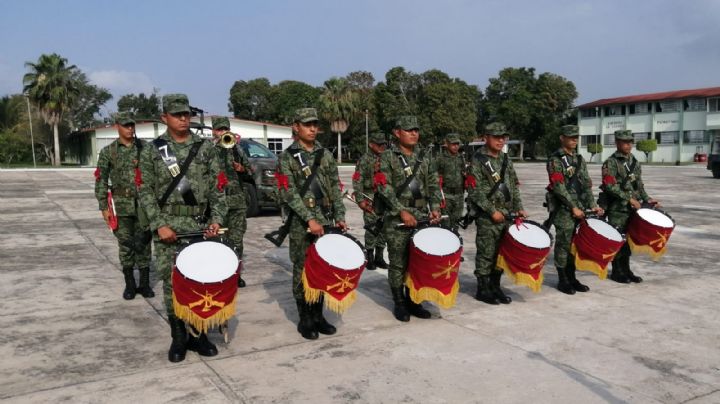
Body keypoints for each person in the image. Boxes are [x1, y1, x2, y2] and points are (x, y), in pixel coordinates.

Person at [138, 94, 227, 363]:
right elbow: (144, 191)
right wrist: (159, 224)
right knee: (172, 285)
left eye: (186, 114)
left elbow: (218, 187)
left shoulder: (205, 148)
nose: (183, 119)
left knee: (201, 282)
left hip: (199, 227)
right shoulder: (153, 150)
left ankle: (199, 335)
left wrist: (217, 219)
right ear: (165, 117)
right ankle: (178, 337)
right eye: (177, 114)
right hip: (169, 229)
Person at [276, 108, 347, 340]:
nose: (313, 128)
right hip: (301, 224)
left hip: (326, 220)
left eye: (315, 124)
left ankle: (318, 316)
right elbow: (288, 192)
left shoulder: (325, 154)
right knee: (302, 270)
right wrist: (309, 218)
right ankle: (305, 319)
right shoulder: (286, 158)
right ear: (296, 126)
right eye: (307, 124)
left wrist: (340, 216)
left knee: (323, 269)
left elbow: (335, 188)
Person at [375, 116, 442, 322]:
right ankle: (399, 303)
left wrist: (436, 208)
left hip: (422, 217)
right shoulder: (387, 157)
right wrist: (400, 210)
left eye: (416, 130)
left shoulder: (424, 156)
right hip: (397, 220)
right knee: (398, 263)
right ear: (397, 133)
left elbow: (432, 183)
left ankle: (414, 300)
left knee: (418, 261)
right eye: (408, 130)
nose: (414, 133)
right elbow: (382, 186)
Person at [466, 123, 527, 305]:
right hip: (488, 216)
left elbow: (513, 187)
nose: (501, 140)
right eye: (496, 137)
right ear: (486, 138)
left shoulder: (506, 160)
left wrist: (519, 207)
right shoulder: (477, 160)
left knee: (501, 252)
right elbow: (474, 190)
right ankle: (482, 289)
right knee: (486, 253)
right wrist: (492, 211)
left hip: (507, 215)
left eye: (503, 137)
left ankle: (495, 286)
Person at [94, 112, 153, 300]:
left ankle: (144, 284)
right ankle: (130, 285)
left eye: (132, 125)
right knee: (126, 245)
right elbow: (101, 180)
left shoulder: (145, 148)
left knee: (144, 243)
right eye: (126, 125)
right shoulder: (109, 152)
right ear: (117, 126)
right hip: (121, 207)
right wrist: (103, 206)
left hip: (144, 206)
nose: (130, 129)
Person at [545, 125, 603, 294]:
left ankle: (572, 277)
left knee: (575, 243)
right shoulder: (555, 160)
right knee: (563, 244)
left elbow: (586, 184)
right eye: (570, 137)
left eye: (576, 137)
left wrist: (592, 204)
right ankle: (562, 279)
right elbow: (558, 187)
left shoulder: (579, 159)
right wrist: (573, 207)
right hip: (564, 210)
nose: (574, 140)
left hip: (581, 209)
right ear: (562, 138)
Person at [599, 129, 660, 284]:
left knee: (627, 240)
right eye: (625, 142)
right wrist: (628, 199)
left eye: (630, 142)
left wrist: (648, 199)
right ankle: (617, 271)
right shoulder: (611, 162)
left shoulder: (633, 161)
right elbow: (609, 186)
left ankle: (626, 269)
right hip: (617, 208)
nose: (628, 145)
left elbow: (638, 184)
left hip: (632, 209)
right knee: (618, 239)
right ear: (617, 143)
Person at [211, 116, 251, 288]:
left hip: (237, 202)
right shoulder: (210, 150)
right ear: (214, 131)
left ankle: (236, 273)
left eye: (224, 129)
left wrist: (242, 169)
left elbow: (250, 171)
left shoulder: (237, 150)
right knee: (218, 240)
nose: (222, 133)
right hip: (219, 202)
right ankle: (220, 273)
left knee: (236, 240)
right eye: (219, 130)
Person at [351, 132, 389, 270]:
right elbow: (357, 180)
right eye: (379, 144)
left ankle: (380, 257)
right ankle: (370, 257)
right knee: (372, 228)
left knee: (384, 228)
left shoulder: (387, 158)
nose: (382, 146)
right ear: (371, 144)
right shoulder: (364, 160)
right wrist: (360, 200)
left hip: (385, 198)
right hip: (370, 197)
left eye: (383, 144)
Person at [436, 133, 467, 230]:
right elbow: (434, 177)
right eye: (453, 144)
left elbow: (464, 172)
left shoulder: (461, 157)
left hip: (459, 195)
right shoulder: (440, 158)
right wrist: (438, 196)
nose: (456, 146)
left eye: (457, 144)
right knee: (445, 224)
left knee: (456, 222)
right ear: (447, 144)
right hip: (446, 195)